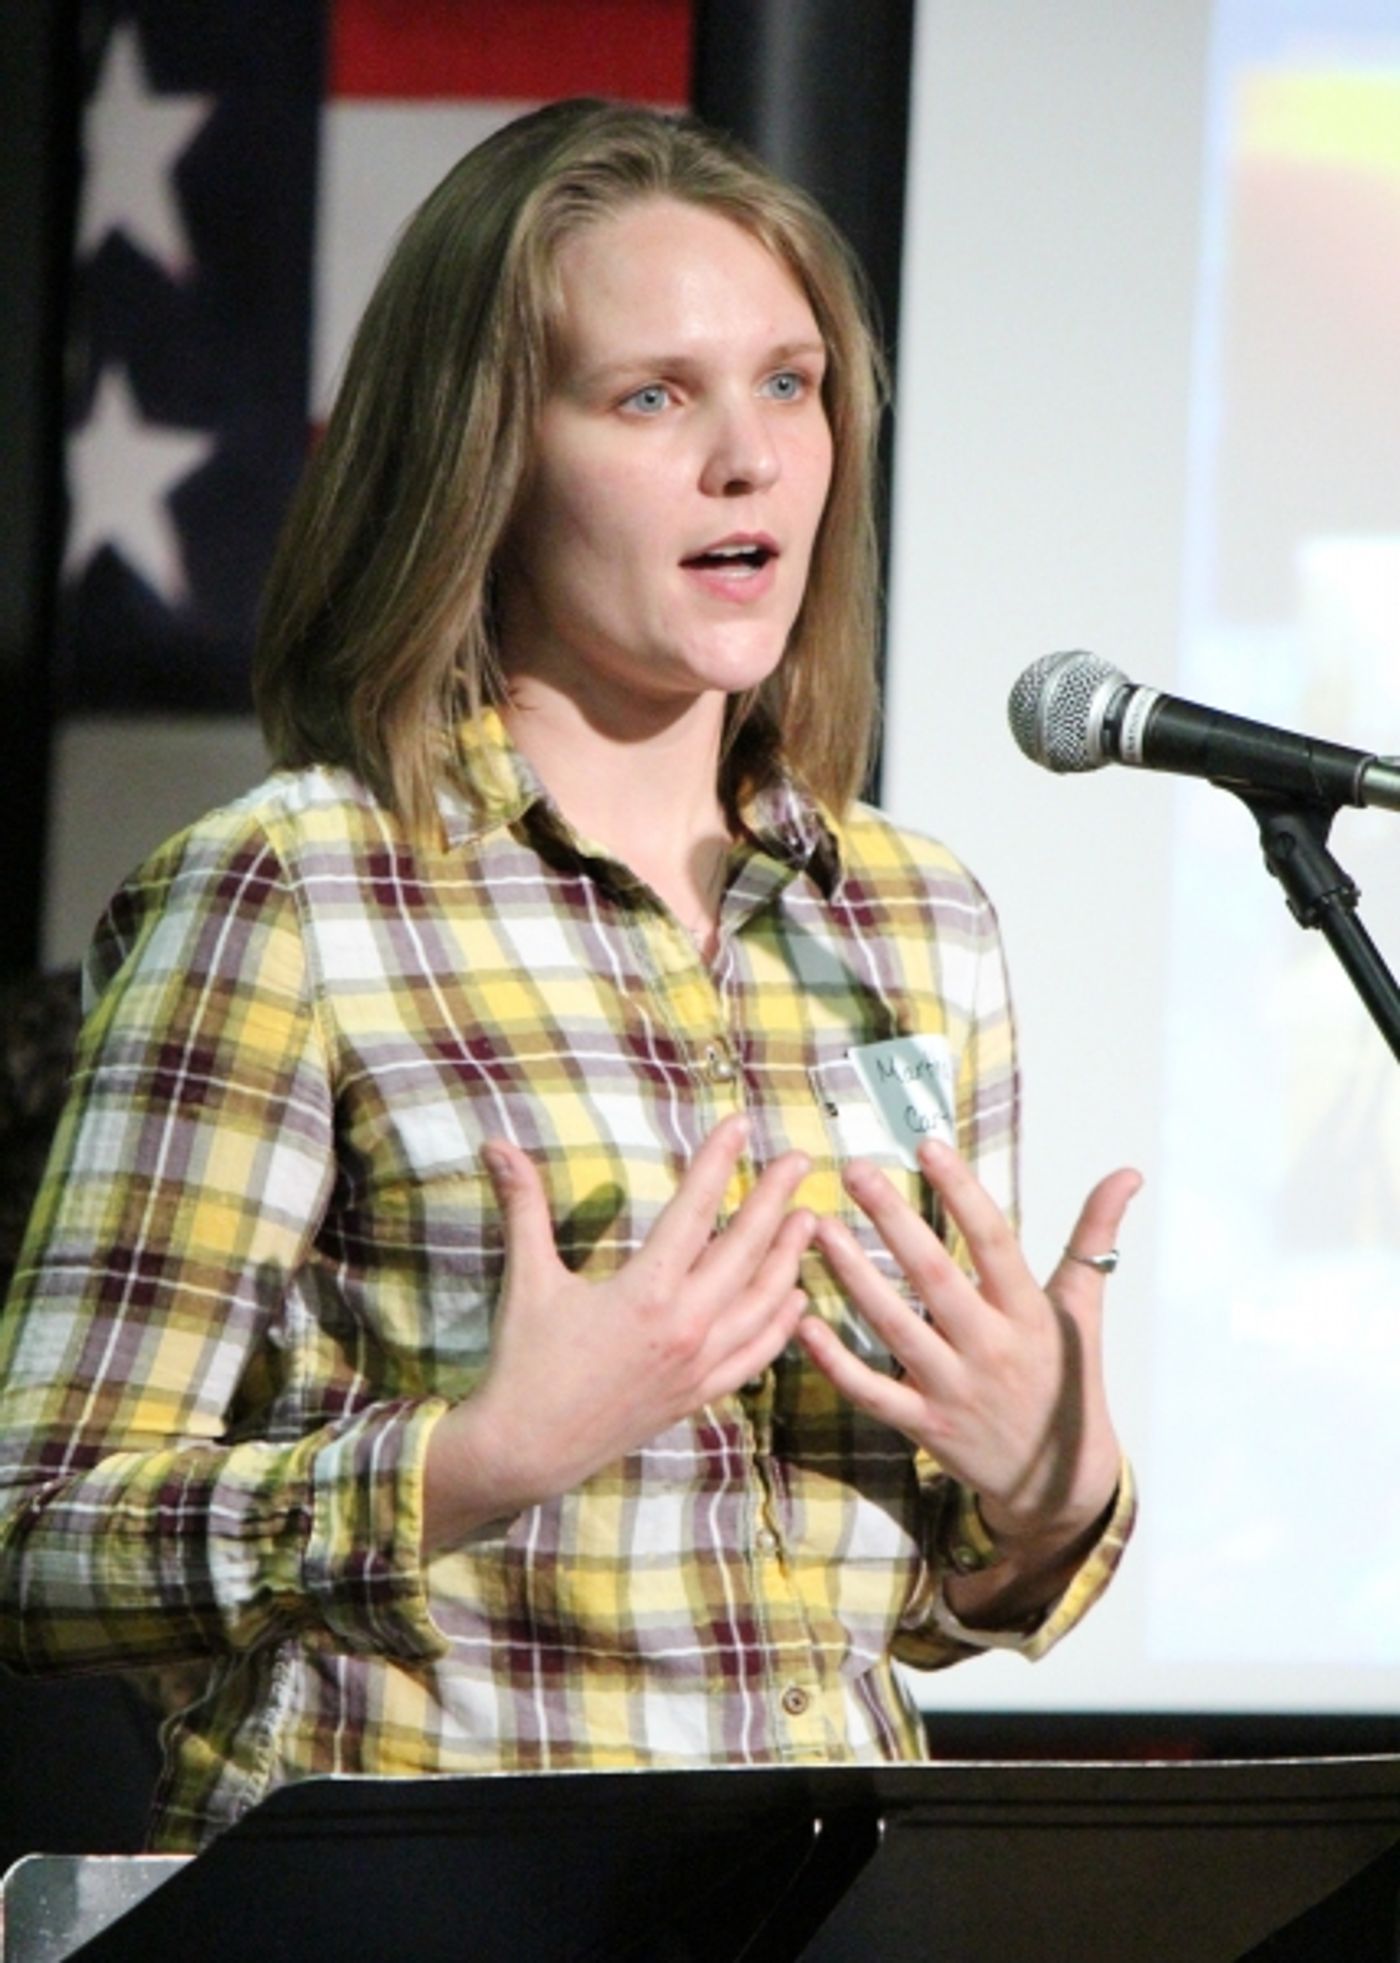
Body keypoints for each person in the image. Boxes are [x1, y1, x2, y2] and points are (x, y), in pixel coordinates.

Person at [0, 98, 1139, 1855]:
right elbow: (35, 1536)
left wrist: (1046, 1492)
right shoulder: (295, 895)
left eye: (789, 382)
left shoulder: (916, 923)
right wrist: (468, 1468)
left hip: (819, 1912)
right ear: (487, 460)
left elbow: (885, 1610)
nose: (751, 458)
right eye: (651, 396)